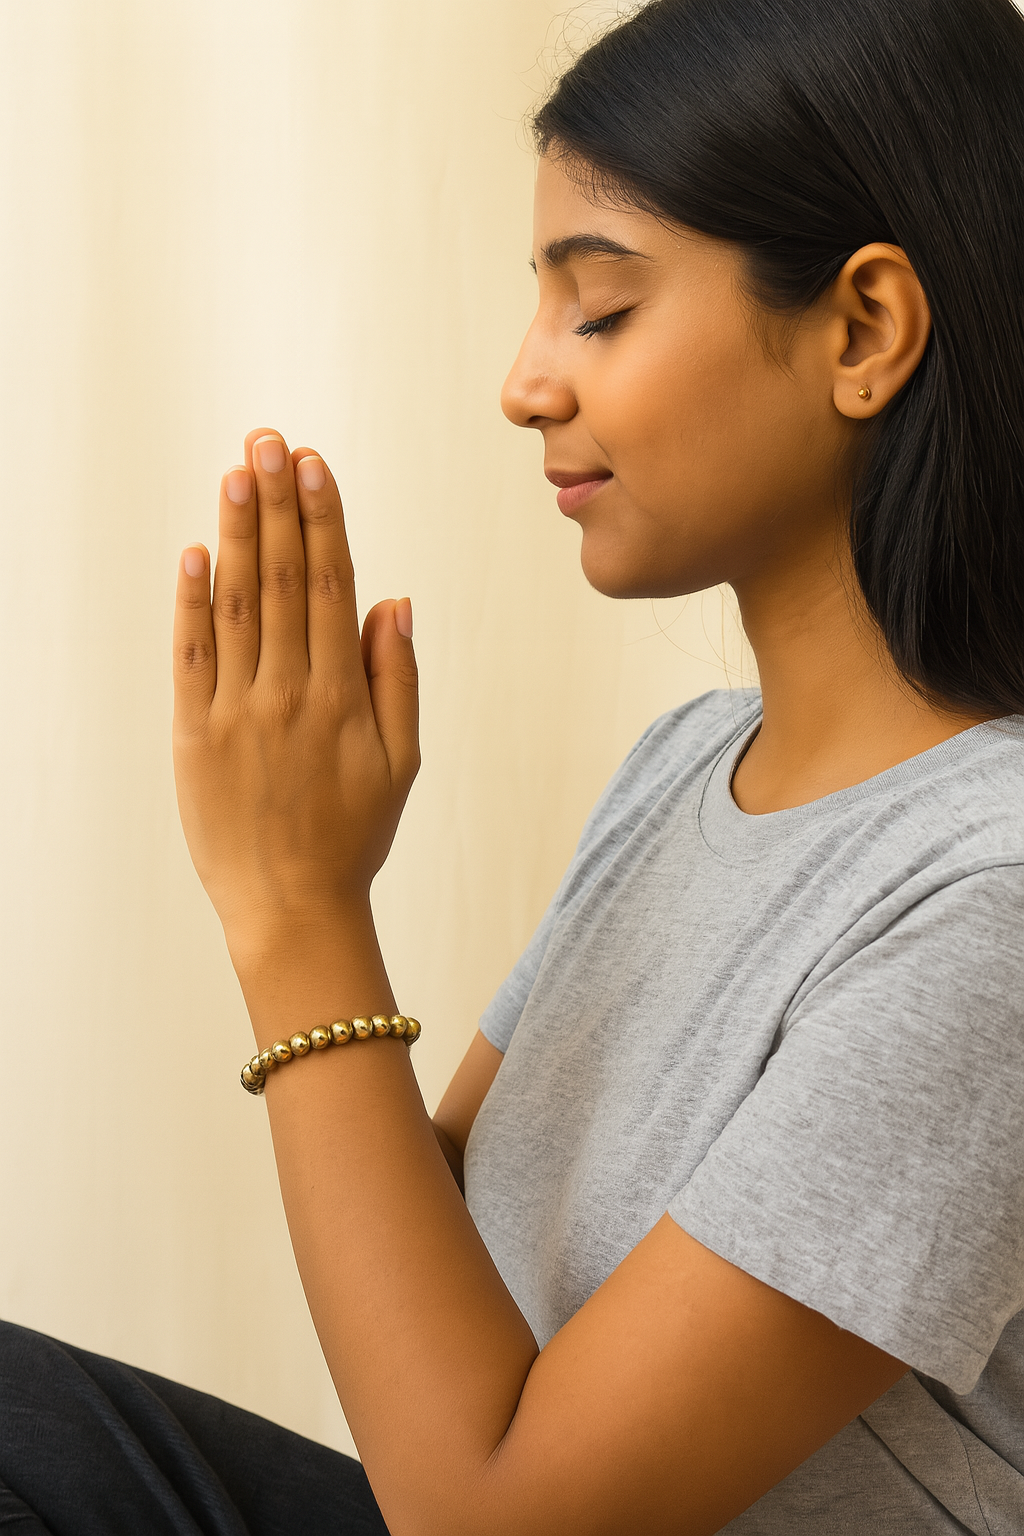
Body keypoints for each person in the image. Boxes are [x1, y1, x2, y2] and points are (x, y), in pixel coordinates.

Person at [3, 0, 1024, 1530]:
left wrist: (297, 916)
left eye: (598, 310)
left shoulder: (988, 900)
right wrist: (303, 864)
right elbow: (435, 1290)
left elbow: (499, 1520)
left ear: (865, 331)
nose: (526, 383)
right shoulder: (684, 768)